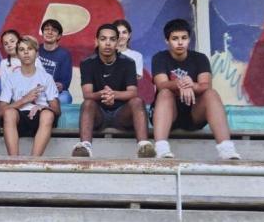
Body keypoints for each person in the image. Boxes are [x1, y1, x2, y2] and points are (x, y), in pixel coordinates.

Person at [150, 19, 241, 160]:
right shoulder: (160, 58)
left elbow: (205, 85)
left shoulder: (200, 58)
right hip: (167, 113)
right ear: (166, 41)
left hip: (194, 113)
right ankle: (161, 148)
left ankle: (226, 148)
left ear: (189, 39)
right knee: (165, 93)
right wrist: (180, 84)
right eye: (175, 39)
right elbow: (161, 84)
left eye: (184, 38)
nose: (180, 43)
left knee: (211, 94)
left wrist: (192, 85)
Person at [72, 24, 154, 158]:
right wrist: (103, 94)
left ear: (117, 42)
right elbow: (87, 94)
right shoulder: (87, 63)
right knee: (87, 104)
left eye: (112, 39)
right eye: (103, 39)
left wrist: (113, 94)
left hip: (121, 114)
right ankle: (85, 147)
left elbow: (132, 92)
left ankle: (144, 146)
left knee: (137, 101)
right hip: (99, 114)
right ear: (96, 41)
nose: (108, 43)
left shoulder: (128, 62)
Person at [0, 36, 60, 156]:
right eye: (21, 49)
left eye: (30, 49)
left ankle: (34, 161)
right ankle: (14, 162)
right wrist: (24, 100)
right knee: (9, 113)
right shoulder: (11, 77)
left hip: (40, 119)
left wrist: (43, 107)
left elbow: (56, 109)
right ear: (17, 54)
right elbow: (1, 111)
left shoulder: (46, 77)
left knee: (48, 114)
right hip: (19, 118)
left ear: (36, 54)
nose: (26, 52)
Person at [38, 19, 73, 104]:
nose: (49, 32)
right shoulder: (35, 50)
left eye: (54, 30)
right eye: (46, 29)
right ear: (42, 33)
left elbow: (65, 83)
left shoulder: (64, 54)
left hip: (54, 91)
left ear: (59, 36)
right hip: (35, 90)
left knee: (65, 98)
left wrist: (59, 86)